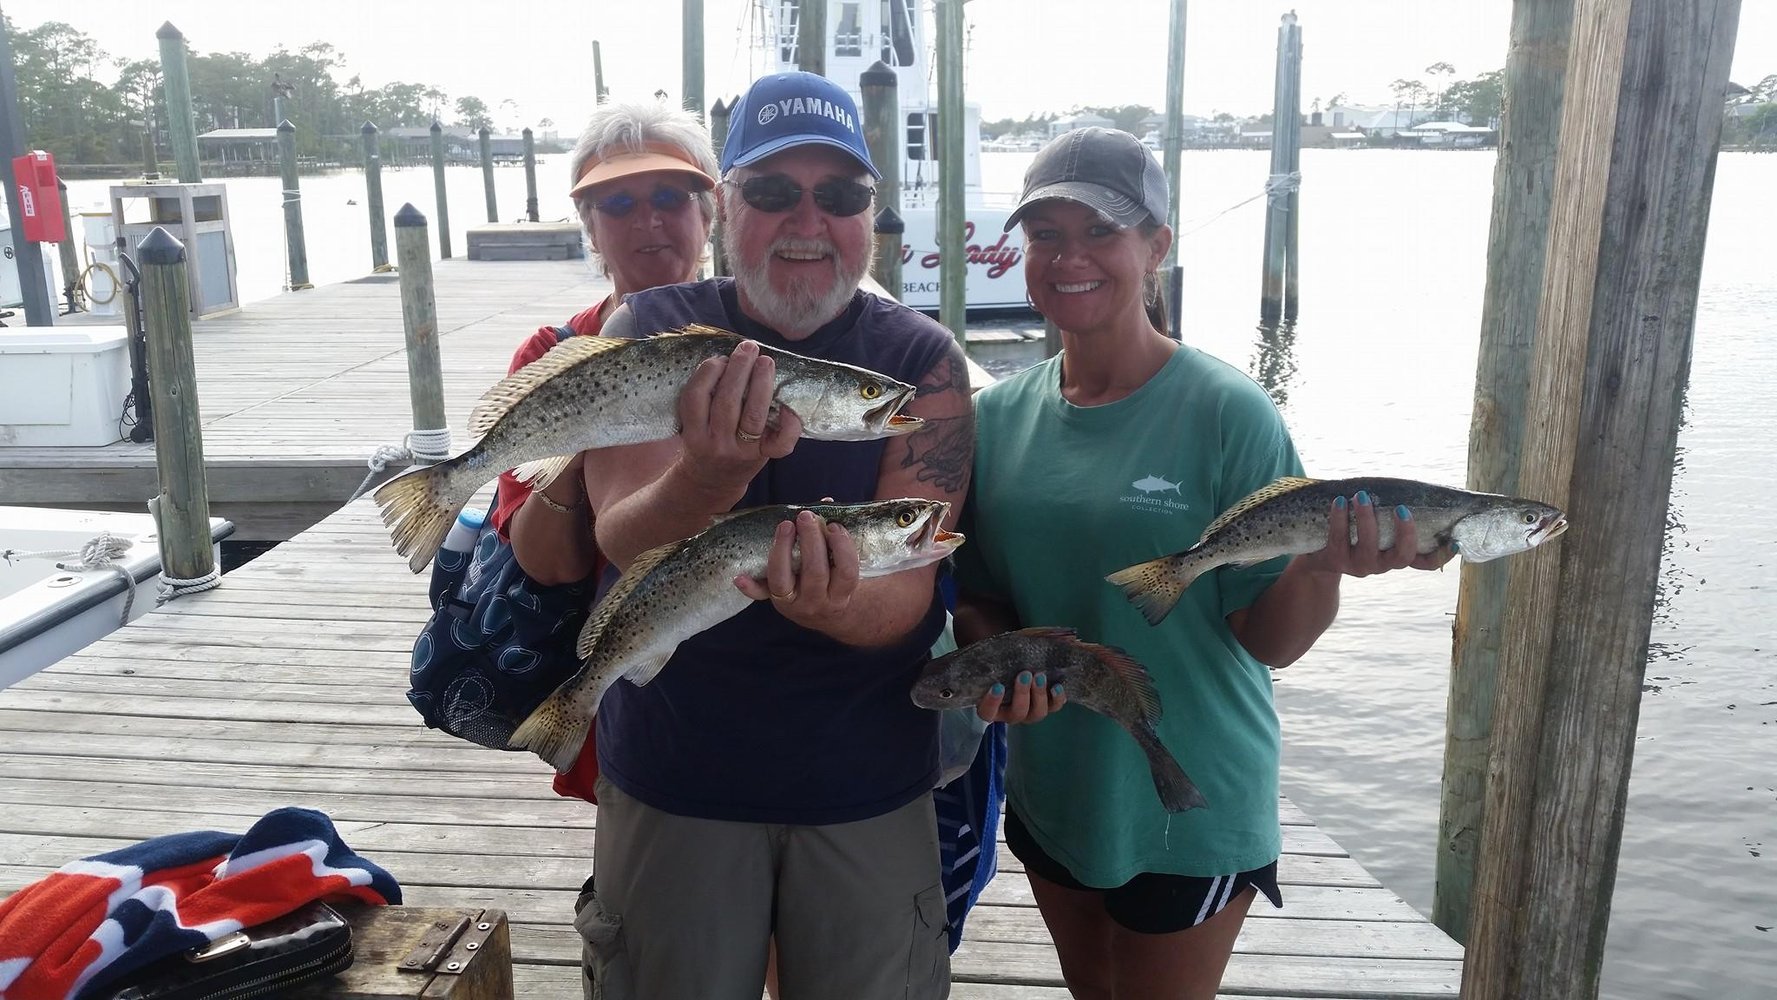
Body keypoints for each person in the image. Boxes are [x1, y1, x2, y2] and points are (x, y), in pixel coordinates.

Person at [953, 127, 1452, 1000]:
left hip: (1189, 790)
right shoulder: (996, 420)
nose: (1069, 257)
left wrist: (1319, 566)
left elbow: (1270, 645)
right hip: (1056, 785)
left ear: (1156, 247)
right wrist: (997, 663)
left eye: (1100, 232)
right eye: (1046, 236)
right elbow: (986, 593)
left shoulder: (1230, 413)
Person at [572, 71, 974, 1000]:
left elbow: (906, 591)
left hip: (864, 777)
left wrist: (837, 604)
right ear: (724, 206)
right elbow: (621, 535)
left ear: (869, 217)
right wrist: (711, 474)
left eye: (839, 197)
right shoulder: (651, 327)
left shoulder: (922, 363)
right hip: (674, 771)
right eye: (771, 192)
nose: (807, 220)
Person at [486, 98, 721, 807]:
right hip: (623, 685)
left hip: (761, 685)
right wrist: (585, 441)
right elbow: (547, 563)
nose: (647, 220)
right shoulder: (552, 355)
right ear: (589, 227)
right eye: (617, 202)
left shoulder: (759, 345)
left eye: (669, 197)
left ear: (708, 214)